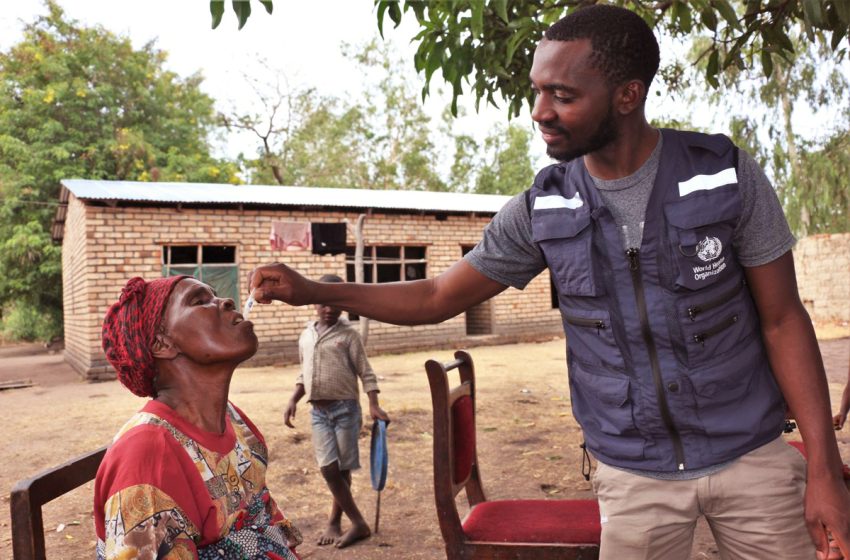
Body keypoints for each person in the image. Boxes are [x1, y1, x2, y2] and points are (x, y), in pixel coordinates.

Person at [248, 5, 850, 559]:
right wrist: (316, 290)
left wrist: (823, 468)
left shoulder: (724, 177)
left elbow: (782, 319)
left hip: (752, 460)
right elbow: (435, 297)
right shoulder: (543, 208)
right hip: (633, 475)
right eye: (537, 91)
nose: (539, 112)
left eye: (561, 95)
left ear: (626, 95)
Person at [94, 275, 302, 560]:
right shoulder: (147, 457)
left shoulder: (232, 419)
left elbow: (262, 516)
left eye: (215, 296)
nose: (226, 301)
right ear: (161, 344)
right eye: (199, 301)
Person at [283, 274, 390, 549]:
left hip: (346, 410)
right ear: (314, 303)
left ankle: (336, 520)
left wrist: (374, 404)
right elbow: (303, 371)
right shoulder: (306, 334)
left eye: (335, 303)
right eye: (323, 303)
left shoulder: (349, 335)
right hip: (318, 412)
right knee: (327, 467)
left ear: (342, 305)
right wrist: (294, 398)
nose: (329, 309)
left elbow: (366, 372)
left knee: (341, 469)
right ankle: (359, 522)